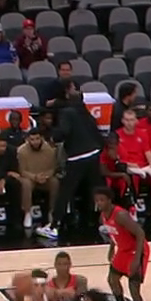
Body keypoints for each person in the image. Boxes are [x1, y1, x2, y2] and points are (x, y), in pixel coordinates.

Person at [50, 80, 105, 237]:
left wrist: (53, 137)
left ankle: (53, 226)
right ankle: (106, 222)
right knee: (98, 190)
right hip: (94, 154)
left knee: (65, 192)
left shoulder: (67, 112)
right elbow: (97, 133)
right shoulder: (85, 111)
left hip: (77, 156)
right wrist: (97, 149)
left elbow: (63, 132)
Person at [94, 186, 148, 301]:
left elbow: (140, 234)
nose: (99, 203)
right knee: (112, 279)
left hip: (137, 250)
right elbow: (113, 233)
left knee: (134, 290)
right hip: (123, 250)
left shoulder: (121, 215)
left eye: (102, 200)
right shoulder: (103, 216)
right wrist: (112, 248)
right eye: (97, 200)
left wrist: (137, 259)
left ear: (109, 200)